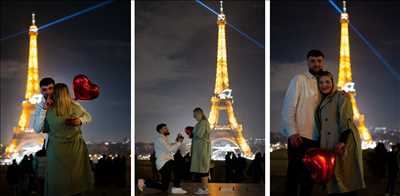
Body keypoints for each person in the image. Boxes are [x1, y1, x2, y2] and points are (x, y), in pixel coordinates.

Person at [281, 49, 325, 196]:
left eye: (319, 61)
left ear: (323, 62)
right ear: (307, 62)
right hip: (300, 137)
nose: (316, 64)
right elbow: (288, 106)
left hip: (316, 138)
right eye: (313, 61)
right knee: (294, 175)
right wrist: (293, 132)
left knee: (309, 178)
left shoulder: (325, 83)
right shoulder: (299, 79)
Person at [315, 71, 365, 195]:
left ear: (333, 83)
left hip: (342, 142)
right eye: (321, 82)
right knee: (336, 181)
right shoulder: (322, 100)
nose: (324, 85)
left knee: (344, 180)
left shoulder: (341, 97)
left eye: (327, 82)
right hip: (329, 143)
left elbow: (346, 121)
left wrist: (342, 142)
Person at [40, 83, 94, 196]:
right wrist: (79, 121)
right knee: (75, 182)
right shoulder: (74, 106)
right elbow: (88, 117)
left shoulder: (50, 110)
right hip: (74, 150)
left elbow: (44, 128)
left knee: (58, 182)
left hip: (57, 151)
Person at [146, 123, 187, 194]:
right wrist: (179, 142)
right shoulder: (160, 139)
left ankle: (145, 183)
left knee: (164, 187)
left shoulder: (165, 139)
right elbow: (170, 149)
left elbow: (173, 149)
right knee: (178, 164)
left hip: (165, 162)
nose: (167, 129)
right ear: (160, 130)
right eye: (165, 128)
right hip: (164, 162)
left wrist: (177, 141)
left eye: (166, 128)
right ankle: (176, 187)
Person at [190, 107, 211, 195]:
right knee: (203, 169)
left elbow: (199, 134)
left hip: (201, 149)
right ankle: (204, 188)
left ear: (200, 114)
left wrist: (191, 133)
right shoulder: (202, 122)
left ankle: (205, 189)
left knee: (203, 169)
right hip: (201, 148)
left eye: (195, 115)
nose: (194, 116)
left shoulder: (202, 122)